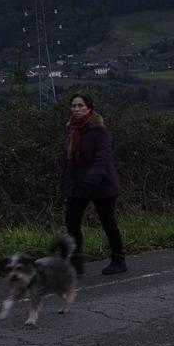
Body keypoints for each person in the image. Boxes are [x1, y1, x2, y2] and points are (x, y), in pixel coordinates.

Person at [60, 93, 127, 275]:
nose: (76, 109)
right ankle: (76, 263)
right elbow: (69, 161)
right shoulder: (71, 129)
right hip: (79, 185)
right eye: (73, 106)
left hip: (102, 185)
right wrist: (66, 184)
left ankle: (118, 260)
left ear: (89, 108)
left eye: (80, 105)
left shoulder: (100, 130)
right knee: (71, 221)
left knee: (107, 222)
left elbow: (102, 159)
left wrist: (90, 182)